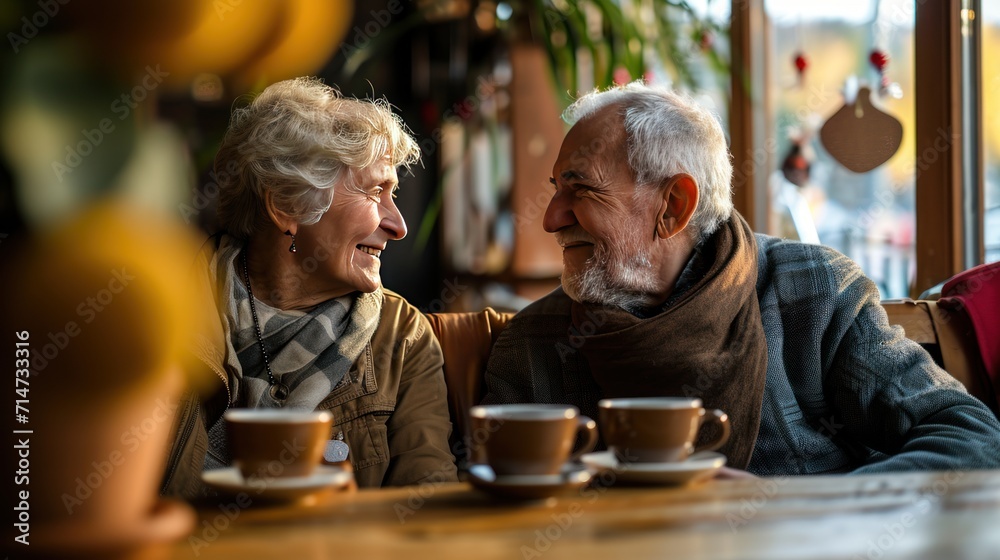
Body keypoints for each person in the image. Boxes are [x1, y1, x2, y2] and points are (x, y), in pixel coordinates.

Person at [483, 81, 1000, 475]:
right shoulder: (534, 345)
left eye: (581, 189)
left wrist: (802, 513)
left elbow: (971, 435)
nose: (550, 218)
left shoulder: (813, 292)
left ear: (674, 206)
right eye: (555, 189)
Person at [163, 77, 457, 497]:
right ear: (287, 204)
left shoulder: (402, 336)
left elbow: (428, 506)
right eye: (376, 191)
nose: (399, 226)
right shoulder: (162, 313)